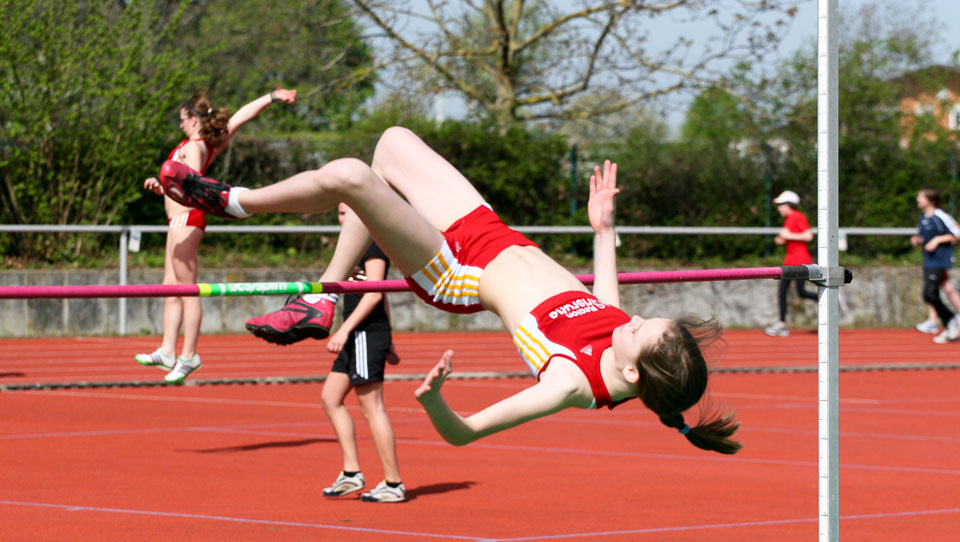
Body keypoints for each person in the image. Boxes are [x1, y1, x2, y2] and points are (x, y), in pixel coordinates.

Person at [159, 126, 742, 454]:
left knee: (352, 177)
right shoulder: (617, 332)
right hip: (487, 230)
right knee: (389, 146)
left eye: (641, 330)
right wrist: (604, 230)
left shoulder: (572, 383)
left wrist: (435, 400)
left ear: (633, 373)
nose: (632, 320)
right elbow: (610, 296)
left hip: (456, 272)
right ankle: (319, 300)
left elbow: (464, 434)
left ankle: (232, 202)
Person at [135, 88, 297, 383]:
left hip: (187, 218)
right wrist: (272, 96)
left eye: (183, 119)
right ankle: (168, 350)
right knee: (170, 287)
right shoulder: (205, 143)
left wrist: (273, 97)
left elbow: (192, 187)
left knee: (187, 290)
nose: (180, 124)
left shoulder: (194, 148)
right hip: (177, 219)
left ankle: (189, 355)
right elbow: (241, 117)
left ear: (194, 120)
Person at [320, 203, 406, 502]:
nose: (343, 218)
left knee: (372, 408)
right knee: (330, 398)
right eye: (340, 213)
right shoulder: (352, 245)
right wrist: (391, 341)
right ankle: (351, 473)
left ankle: (393, 484)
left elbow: (376, 292)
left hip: (365, 334)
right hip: (358, 334)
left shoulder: (371, 241)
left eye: (349, 213)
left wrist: (344, 331)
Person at [763, 190, 819, 338]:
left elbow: (808, 236)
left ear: (789, 205)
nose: (779, 208)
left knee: (794, 291)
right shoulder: (789, 218)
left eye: (781, 205)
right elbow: (785, 237)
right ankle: (782, 324)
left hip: (799, 261)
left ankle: (830, 297)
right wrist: (783, 238)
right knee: (793, 291)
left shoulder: (796, 216)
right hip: (791, 261)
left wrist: (788, 236)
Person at [910, 188, 960, 344]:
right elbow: (926, 237)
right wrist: (918, 240)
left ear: (930, 200)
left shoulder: (941, 216)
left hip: (940, 261)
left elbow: (957, 233)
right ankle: (937, 322)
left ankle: (950, 321)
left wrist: (938, 240)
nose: (917, 199)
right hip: (929, 261)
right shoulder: (923, 218)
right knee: (944, 290)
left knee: (930, 293)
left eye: (920, 196)